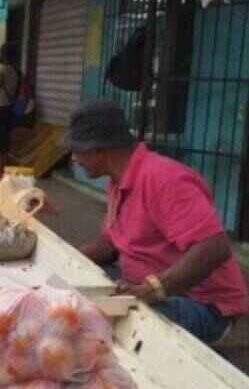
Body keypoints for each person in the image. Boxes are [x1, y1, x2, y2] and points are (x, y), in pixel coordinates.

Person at [67, 100, 249, 344]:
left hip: (202, 306)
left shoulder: (164, 179)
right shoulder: (117, 181)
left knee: (88, 323)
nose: (74, 159)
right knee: (73, 296)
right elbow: (110, 242)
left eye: (77, 150)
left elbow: (214, 247)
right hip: (145, 284)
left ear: (98, 149)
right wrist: (68, 260)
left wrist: (152, 290)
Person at [0, 43, 20, 171]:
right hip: (9, 107)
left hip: (0, 107)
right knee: (5, 137)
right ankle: (4, 165)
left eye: (0, 52)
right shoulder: (16, 71)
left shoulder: (4, 70)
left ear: (4, 55)